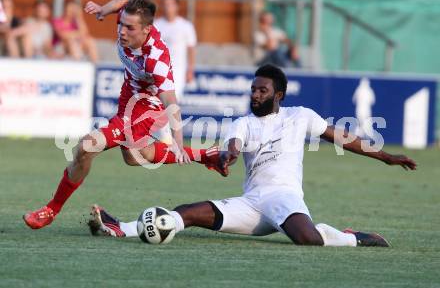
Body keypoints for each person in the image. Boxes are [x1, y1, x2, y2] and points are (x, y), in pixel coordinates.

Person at [88, 64, 417, 247]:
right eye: (253, 89)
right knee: (188, 212)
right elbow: (234, 144)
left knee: (309, 241)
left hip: (285, 198)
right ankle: (124, 228)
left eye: (262, 90)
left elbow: (343, 138)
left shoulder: (300, 115)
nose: (255, 94)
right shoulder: (243, 123)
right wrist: (229, 156)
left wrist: (387, 157)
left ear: (279, 95)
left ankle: (348, 238)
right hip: (253, 204)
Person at [23, 0, 226, 230]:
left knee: (87, 146)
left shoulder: (156, 57)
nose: (122, 32)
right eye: (121, 25)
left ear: (146, 30)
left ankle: (51, 209)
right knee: (134, 157)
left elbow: (171, 100)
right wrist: (104, 8)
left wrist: (178, 142)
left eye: (129, 28)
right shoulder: (129, 22)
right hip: (128, 96)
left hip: (147, 106)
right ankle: (206, 155)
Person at [154, 0, 196, 101]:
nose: (168, 7)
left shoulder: (186, 26)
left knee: (173, 101)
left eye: (171, 4)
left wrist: (190, 70)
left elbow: (191, 49)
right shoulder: (156, 25)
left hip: (177, 69)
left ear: (177, 6)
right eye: (166, 4)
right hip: (159, 69)